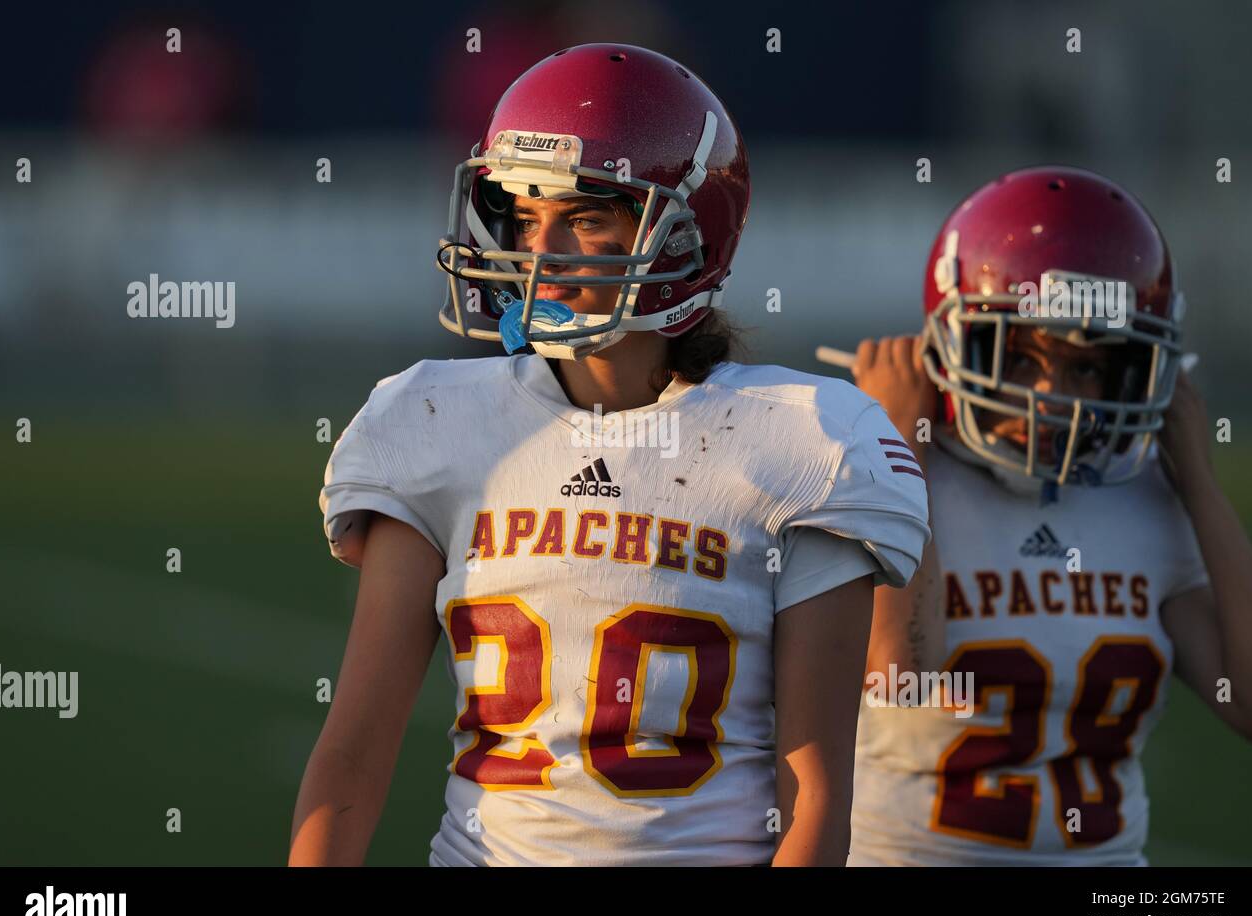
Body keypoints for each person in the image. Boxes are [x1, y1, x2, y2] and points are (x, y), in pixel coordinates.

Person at [289, 43, 930, 866]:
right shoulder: (433, 420)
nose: (539, 252)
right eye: (524, 216)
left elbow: (812, 800)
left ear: (686, 237)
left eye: (584, 217)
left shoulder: (802, 438)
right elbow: (353, 756)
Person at [821, 166, 1252, 865]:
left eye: (1085, 368)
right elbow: (900, 673)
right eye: (1021, 355)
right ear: (957, 341)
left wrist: (1201, 490)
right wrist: (892, 448)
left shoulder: (1146, 498)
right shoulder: (897, 475)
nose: (1049, 397)